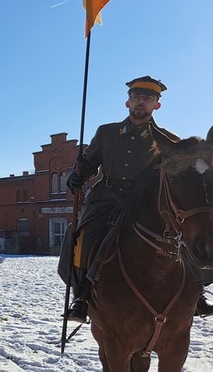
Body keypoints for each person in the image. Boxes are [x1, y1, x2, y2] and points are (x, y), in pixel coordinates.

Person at [61, 76, 213, 323]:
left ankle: (197, 293)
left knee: (184, 233)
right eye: (137, 98)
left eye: (148, 99)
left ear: (157, 105)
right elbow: (89, 163)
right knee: (83, 236)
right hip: (106, 197)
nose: (141, 102)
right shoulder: (107, 132)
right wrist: (76, 177)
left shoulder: (169, 139)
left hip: (147, 201)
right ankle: (81, 295)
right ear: (127, 102)